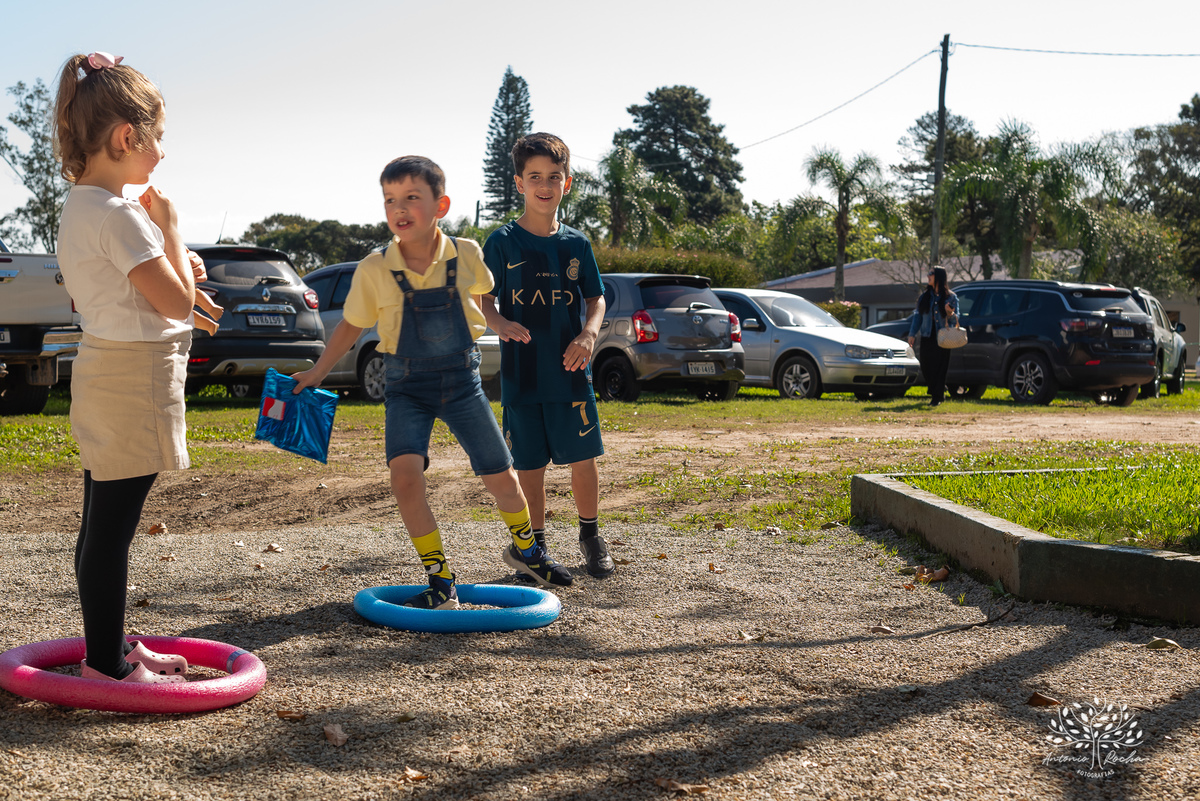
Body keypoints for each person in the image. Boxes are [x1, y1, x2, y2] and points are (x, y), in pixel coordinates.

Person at [291, 156, 572, 609]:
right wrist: (317, 372)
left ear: (440, 204)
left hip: (462, 381)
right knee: (404, 478)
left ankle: (528, 551)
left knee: (501, 475)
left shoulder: (467, 254)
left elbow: (483, 293)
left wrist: (495, 321)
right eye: (390, 200)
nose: (399, 208)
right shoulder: (375, 268)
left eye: (411, 198)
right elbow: (351, 325)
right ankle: (441, 580)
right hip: (405, 385)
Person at [53, 51, 201, 683]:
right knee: (113, 530)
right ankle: (106, 666)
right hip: (133, 379)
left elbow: (135, 288)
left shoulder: (83, 207)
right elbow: (177, 306)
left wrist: (172, 259)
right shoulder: (121, 214)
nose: (161, 152)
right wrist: (171, 228)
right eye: (157, 137)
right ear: (125, 137)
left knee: (101, 521)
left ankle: (107, 650)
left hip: (104, 370)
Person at [481, 133, 615, 579]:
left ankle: (590, 535)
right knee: (528, 465)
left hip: (570, 369)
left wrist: (589, 335)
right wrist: (497, 323)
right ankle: (532, 548)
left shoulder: (576, 244)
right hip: (523, 372)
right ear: (519, 183)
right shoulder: (501, 242)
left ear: (567, 183)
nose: (545, 184)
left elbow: (595, 298)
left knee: (584, 458)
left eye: (553, 177)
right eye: (534, 176)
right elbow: (480, 296)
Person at [907, 265, 960, 407]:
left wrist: (950, 313)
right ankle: (938, 389)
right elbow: (917, 317)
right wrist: (912, 334)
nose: (928, 276)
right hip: (926, 336)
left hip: (943, 337)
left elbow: (956, 320)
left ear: (939, 276)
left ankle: (936, 398)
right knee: (926, 366)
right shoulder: (924, 297)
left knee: (940, 367)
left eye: (931, 273)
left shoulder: (951, 297)